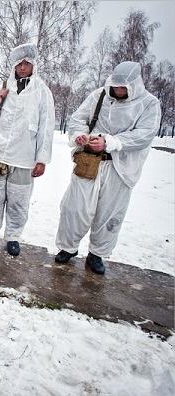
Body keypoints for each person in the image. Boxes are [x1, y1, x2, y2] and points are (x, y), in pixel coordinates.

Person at [54, 61, 161, 275]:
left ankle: (97, 254)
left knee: (109, 213)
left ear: (133, 86)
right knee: (75, 207)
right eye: (115, 86)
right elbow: (77, 119)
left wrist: (110, 142)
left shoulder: (149, 104)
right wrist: (79, 135)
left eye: (123, 88)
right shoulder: (99, 96)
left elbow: (144, 134)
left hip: (119, 168)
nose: (118, 91)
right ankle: (68, 247)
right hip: (90, 162)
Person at [0, 43, 55, 256]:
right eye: (19, 63)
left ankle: (13, 237)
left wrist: (42, 159)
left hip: (24, 156)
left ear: (33, 65)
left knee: (18, 200)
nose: (22, 67)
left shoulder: (42, 91)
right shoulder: (4, 85)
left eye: (27, 63)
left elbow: (46, 127)